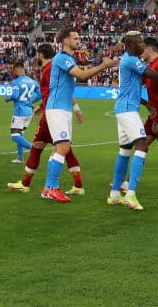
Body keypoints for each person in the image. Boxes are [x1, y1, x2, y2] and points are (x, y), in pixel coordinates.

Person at [40, 28, 119, 203]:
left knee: (58, 148)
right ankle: (53, 188)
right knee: (63, 147)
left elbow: (67, 88)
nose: (79, 40)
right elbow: (82, 75)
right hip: (57, 109)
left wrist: (76, 108)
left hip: (62, 108)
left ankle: (47, 187)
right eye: (75, 38)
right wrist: (103, 66)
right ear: (66, 41)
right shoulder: (62, 58)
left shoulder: (68, 59)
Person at [107, 31, 158, 210]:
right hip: (128, 110)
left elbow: (131, 87)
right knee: (142, 145)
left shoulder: (128, 60)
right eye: (139, 43)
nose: (142, 46)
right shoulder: (131, 60)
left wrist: (145, 103)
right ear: (130, 44)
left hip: (124, 108)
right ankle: (131, 193)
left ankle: (114, 193)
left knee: (125, 151)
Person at [7, 44, 85, 195]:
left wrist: (74, 109)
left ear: (40, 55)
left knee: (37, 147)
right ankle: (78, 185)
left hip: (52, 115)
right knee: (65, 149)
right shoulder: (52, 67)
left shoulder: (50, 69)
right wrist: (41, 106)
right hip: (53, 111)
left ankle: (30, 184)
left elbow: (56, 92)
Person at [140, 37, 158, 157]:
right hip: (154, 116)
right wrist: (146, 103)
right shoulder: (150, 66)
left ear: (149, 49)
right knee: (141, 146)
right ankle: (132, 176)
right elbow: (137, 85)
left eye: (142, 49)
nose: (140, 51)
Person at [6, 62, 41, 163]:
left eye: (14, 71)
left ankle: (34, 150)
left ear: (16, 70)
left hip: (20, 111)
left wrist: (8, 99)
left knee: (15, 136)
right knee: (20, 135)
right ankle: (20, 158)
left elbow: (15, 96)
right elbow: (40, 95)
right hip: (29, 112)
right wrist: (31, 101)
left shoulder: (16, 82)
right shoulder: (32, 82)